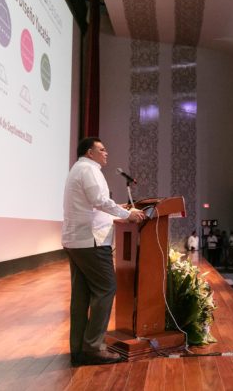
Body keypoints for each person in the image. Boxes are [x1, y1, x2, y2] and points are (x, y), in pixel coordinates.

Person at [63, 137, 146, 366]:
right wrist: (126, 214)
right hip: (91, 242)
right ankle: (93, 348)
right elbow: (99, 200)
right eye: (102, 149)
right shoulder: (89, 170)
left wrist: (120, 210)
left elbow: (94, 204)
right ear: (90, 152)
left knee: (81, 296)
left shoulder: (78, 169)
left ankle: (79, 349)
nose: (106, 153)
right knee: (106, 288)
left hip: (77, 241)